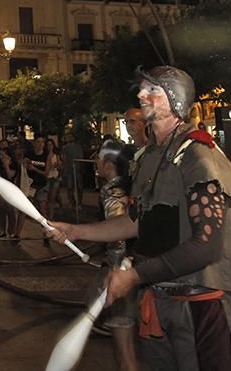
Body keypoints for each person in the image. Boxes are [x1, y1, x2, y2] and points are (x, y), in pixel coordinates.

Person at [48, 66, 231, 371]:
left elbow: (206, 247)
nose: (141, 94)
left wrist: (134, 276)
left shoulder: (198, 155)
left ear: (176, 100)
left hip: (200, 306)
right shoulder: (150, 157)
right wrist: (74, 230)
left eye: (153, 89)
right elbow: (134, 221)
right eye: (142, 89)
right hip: (158, 300)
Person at [95, 138, 138, 371]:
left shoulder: (113, 192)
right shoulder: (126, 187)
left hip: (122, 274)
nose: (96, 162)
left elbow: (117, 237)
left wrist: (114, 270)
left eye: (99, 159)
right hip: (130, 270)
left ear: (109, 164)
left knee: (124, 351)